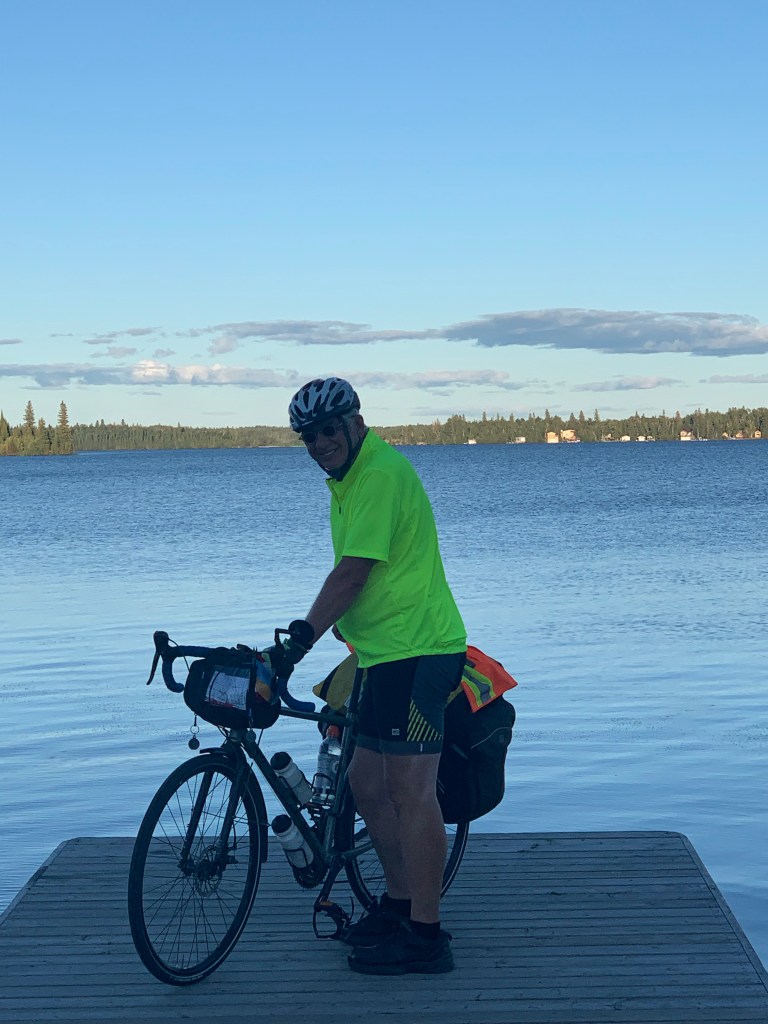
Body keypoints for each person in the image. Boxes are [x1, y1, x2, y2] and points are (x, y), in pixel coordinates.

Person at [275, 377, 467, 975]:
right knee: (365, 782)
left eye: (328, 430)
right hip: (381, 654)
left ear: (356, 423)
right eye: (308, 436)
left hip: (421, 652)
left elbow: (353, 572)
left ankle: (427, 936)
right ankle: (399, 905)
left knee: (411, 793)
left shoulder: (379, 474)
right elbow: (362, 576)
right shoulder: (349, 480)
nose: (319, 444)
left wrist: (299, 641)